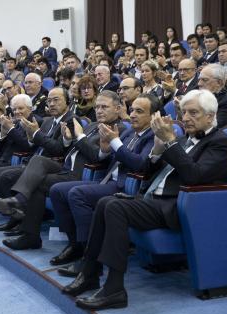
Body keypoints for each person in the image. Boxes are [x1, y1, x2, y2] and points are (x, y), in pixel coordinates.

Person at [65, 89, 227, 310]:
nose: (186, 118)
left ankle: (114, 289)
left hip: (178, 206)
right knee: (106, 202)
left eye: (194, 113)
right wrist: (156, 150)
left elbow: (195, 175)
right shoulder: (183, 139)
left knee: (115, 207)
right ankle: (90, 273)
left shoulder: (220, 142)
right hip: (155, 199)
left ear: (211, 116)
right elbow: (147, 170)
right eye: (184, 113)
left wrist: (171, 143)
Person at [0, 89, 124, 250]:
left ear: (117, 108)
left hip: (83, 174)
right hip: (65, 166)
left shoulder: (119, 129)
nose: (99, 110)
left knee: (37, 184)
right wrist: (68, 140)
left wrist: (79, 137)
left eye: (104, 107)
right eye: (97, 107)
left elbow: (97, 157)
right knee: (38, 161)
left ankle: (29, 228)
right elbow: (68, 147)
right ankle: (24, 218)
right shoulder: (93, 125)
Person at [49, 93, 157, 269]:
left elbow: (139, 164)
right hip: (106, 179)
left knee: (77, 194)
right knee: (57, 190)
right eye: (132, 110)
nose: (134, 114)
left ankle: (88, 253)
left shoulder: (152, 136)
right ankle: (74, 243)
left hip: (125, 187)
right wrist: (106, 150)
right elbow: (108, 156)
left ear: (153, 115)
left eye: (139, 111)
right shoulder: (130, 132)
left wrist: (114, 142)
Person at [0, 88, 76, 234]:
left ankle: (17, 206)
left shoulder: (71, 120)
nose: (52, 103)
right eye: (49, 100)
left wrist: (35, 133)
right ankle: (16, 215)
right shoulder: (48, 121)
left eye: (57, 100)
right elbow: (34, 144)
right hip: (37, 163)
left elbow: (58, 149)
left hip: (57, 165)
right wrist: (32, 135)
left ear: (68, 102)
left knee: (9, 175)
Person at [197, 64, 227, 128]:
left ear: (219, 83)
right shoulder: (196, 96)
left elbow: (216, 126)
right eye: (199, 79)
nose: (199, 84)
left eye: (204, 80)